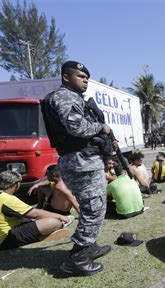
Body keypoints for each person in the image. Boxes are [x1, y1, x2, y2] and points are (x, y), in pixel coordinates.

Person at [42, 60, 112, 276]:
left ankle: (89, 246)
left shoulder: (74, 98)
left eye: (87, 78)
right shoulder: (64, 96)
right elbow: (76, 127)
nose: (85, 81)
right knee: (94, 207)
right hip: (80, 162)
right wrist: (102, 127)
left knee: (96, 205)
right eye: (81, 77)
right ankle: (78, 258)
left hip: (84, 160)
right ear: (66, 77)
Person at [0, 170, 72, 252]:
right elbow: (36, 214)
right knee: (53, 222)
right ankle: (44, 234)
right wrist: (61, 216)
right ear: (16, 184)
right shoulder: (6, 199)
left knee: (30, 220)